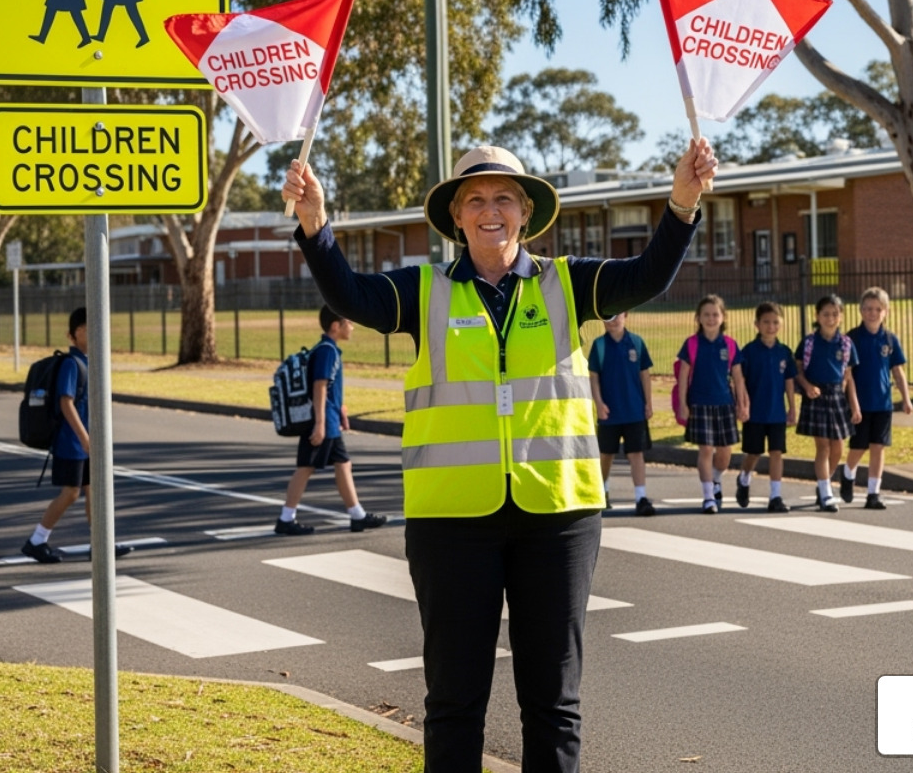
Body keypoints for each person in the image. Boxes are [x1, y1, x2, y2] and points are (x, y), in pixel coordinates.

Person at [283, 139, 716, 773]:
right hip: (452, 524)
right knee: (455, 705)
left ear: (526, 213)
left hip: (559, 518)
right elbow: (350, 295)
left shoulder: (568, 282)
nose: (492, 211)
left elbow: (649, 275)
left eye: (505, 198)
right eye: (476, 199)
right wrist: (315, 225)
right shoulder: (423, 289)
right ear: (456, 217)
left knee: (554, 704)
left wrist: (683, 201)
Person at [20, 307, 132, 562]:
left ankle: (100, 543)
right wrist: (84, 438)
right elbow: (65, 403)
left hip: (86, 442)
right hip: (71, 443)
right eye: (91, 329)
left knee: (94, 490)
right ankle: (36, 541)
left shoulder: (89, 362)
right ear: (77, 333)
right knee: (71, 493)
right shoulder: (72, 364)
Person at [274, 305, 390, 536]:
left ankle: (357, 515)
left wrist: (341, 411)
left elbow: (331, 387)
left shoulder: (328, 349)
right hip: (322, 422)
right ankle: (286, 518)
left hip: (329, 420)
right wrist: (319, 424)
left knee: (343, 463)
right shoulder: (326, 351)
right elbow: (320, 385)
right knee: (306, 467)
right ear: (335, 326)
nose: (352, 327)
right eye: (348, 322)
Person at [842, 287, 913, 509]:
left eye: (878, 309)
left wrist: (906, 398)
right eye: (868, 309)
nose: (873, 313)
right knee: (859, 446)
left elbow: (897, 371)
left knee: (878, 446)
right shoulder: (852, 338)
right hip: (860, 403)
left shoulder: (890, 339)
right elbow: (847, 373)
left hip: (883, 403)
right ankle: (847, 473)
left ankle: (873, 493)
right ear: (861, 310)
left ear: (886, 312)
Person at [794, 294, 862, 513]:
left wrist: (855, 405)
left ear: (841, 317)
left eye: (834, 314)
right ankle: (826, 493)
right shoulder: (809, 342)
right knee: (822, 446)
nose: (830, 318)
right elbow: (798, 370)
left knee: (838, 448)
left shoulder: (846, 344)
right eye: (825, 314)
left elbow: (848, 377)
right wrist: (806, 386)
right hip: (816, 395)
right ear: (817, 316)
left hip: (837, 397)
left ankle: (823, 483)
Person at [587, 311, 656, 516]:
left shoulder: (636, 342)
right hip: (610, 412)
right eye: (608, 316)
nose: (613, 320)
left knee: (636, 453)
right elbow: (594, 377)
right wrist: (598, 403)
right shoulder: (599, 346)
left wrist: (648, 403)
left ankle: (641, 497)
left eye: (617, 315)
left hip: (634, 410)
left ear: (626, 315)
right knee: (606, 454)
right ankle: (602, 490)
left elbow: (645, 374)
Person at [730, 302, 798, 512]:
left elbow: (788, 381)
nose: (771, 326)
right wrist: (740, 405)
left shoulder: (784, 352)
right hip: (755, 413)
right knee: (754, 453)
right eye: (766, 322)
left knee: (777, 452)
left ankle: (775, 496)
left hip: (776, 412)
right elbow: (739, 381)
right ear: (757, 325)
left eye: (775, 322)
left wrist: (792, 407)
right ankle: (744, 478)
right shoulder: (748, 352)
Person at [676, 294, 739, 514]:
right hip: (699, 404)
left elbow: (738, 378)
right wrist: (683, 404)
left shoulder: (730, 345)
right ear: (698, 318)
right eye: (706, 315)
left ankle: (716, 478)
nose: (711, 318)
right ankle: (708, 496)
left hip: (724, 404)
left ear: (723, 317)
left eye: (715, 314)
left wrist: (743, 403)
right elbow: (683, 376)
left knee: (724, 453)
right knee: (705, 450)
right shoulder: (692, 344)